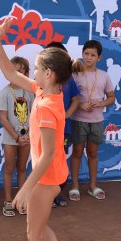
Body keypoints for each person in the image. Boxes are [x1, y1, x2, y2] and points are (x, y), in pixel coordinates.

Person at [0, 19, 77, 241]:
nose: (34, 71)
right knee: (40, 228)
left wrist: (26, 188)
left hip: (47, 177)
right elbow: (11, 74)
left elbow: (48, 153)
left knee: (34, 234)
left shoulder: (48, 107)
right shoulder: (44, 92)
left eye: (38, 68)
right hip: (51, 175)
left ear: (49, 73)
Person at [68, 40, 115, 201]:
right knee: (77, 152)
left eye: (93, 55)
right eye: (86, 54)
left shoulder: (104, 75)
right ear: (82, 54)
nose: (88, 57)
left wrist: (101, 103)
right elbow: (69, 98)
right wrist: (80, 105)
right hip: (78, 120)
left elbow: (111, 98)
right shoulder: (75, 74)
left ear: (99, 58)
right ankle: (74, 186)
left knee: (93, 153)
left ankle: (92, 186)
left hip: (96, 121)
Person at [0, 56, 34, 217]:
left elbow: (35, 115)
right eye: (13, 71)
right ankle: (7, 200)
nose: (16, 74)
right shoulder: (5, 92)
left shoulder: (30, 92)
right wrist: (16, 136)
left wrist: (30, 134)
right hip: (11, 137)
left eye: (20, 71)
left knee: (22, 168)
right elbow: (3, 118)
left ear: (26, 73)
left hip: (27, 137)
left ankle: (22, 200)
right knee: (9, 168)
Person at [45, 42, 81, 208]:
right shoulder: (42, 79)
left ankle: (56, 195)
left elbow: (76, 99)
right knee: (45, 162)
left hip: (64, 130)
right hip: (45, 129)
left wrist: (66, 115)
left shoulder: (69, 80)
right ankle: (45, 196)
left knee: (59, 163)